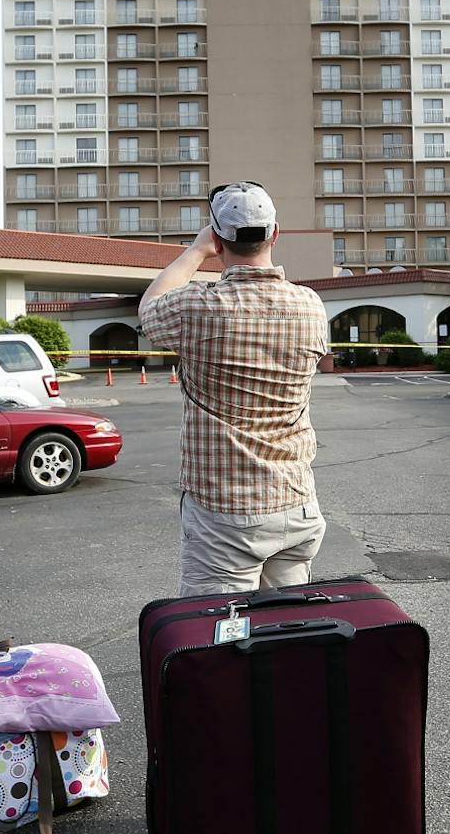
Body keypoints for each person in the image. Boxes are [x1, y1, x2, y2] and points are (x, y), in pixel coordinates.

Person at [139, 182, 331, 595]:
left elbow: (150, 310)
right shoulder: (310, 305)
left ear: (217, 237)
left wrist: (195, 251)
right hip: (296, 502)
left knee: (221, 640)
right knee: (288, 632)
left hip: (226, 515)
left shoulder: (199, 308)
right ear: (275, 233)